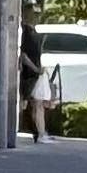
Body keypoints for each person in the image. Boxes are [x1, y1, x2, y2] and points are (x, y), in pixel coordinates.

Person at [20, 15, 52, 143]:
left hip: (33, 73)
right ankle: (40, 133)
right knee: (37, 104)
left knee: (35, 104)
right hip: (31, 74)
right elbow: (24, 56)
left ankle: (39, 133)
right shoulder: (27, 34)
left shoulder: (31, 33)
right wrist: (36, 69)